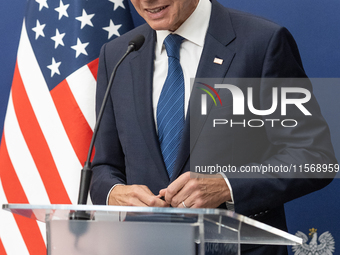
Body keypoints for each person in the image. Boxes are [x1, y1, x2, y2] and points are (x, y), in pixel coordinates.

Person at [90, 0, 337, 253]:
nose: (146, 1)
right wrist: (113, 193)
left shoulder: (262, 42)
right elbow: (103, 167)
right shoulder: (119, 53)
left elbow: (314, 157)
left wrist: (227, 186)